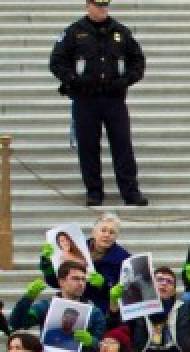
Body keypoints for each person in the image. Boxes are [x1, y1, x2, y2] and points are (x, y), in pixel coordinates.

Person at [49, 0, 148, 206]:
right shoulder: (74, 32)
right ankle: (94, 192)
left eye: (105, 5)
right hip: (86, 99)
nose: (102, 9)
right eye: (97, 5)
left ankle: (130, 192)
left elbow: (138, 61)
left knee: (122, 146)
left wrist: (126, 80)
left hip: (114, 99)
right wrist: (73, 80)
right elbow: (56, 62)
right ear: (88, 6)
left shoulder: (121, 32)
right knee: (88, 147)